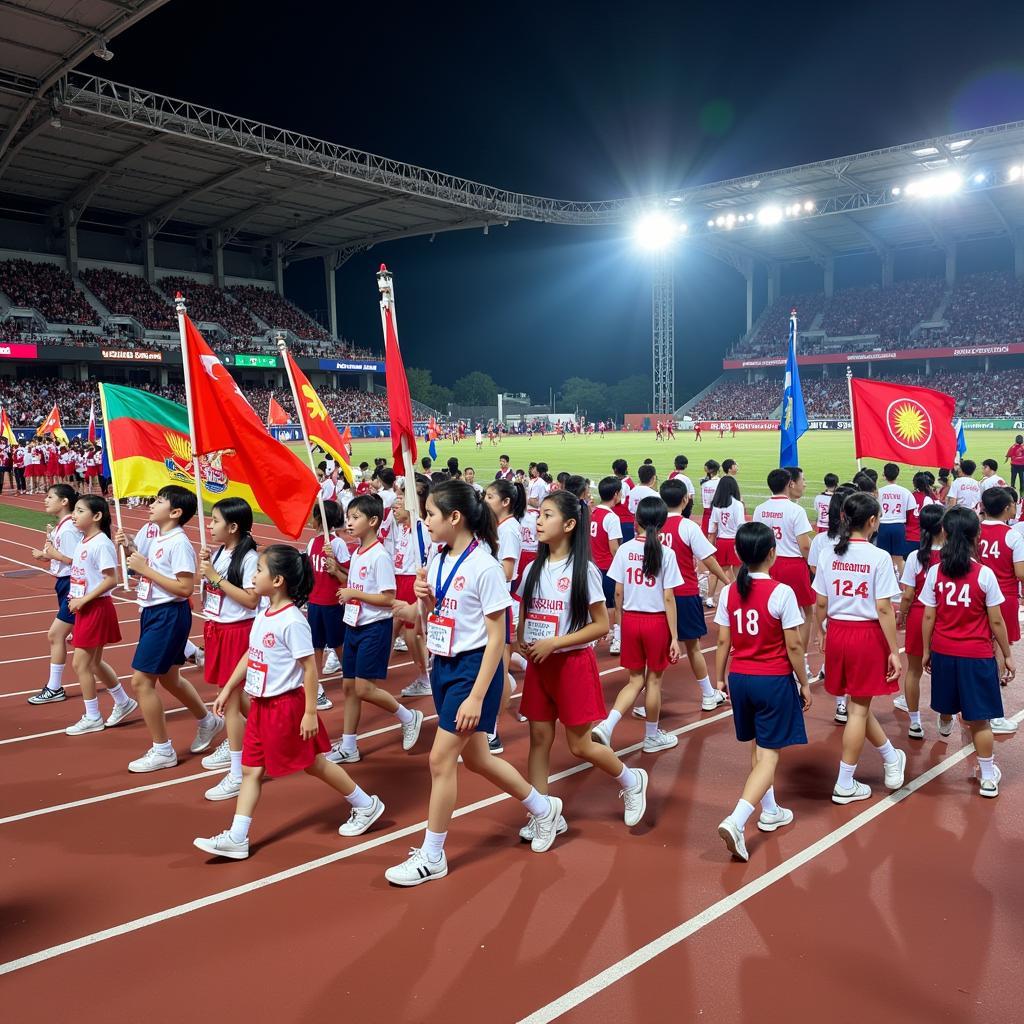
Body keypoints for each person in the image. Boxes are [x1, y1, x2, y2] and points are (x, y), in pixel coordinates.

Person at [385, 480, 564, 886]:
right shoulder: (437, 556)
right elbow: (436, 612)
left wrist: (479, 696)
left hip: (472, 670)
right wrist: (422, 598)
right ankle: (543, 809)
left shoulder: (485, 566)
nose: (425, 521)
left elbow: (497, 637)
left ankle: (432, 856)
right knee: (479, 759)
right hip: (444, 664)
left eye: (431, 514)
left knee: (440, 760)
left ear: (454, 517)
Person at [193, 545, 386, 860]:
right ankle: (237, 837)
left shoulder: (293, 621)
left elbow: (310, 668)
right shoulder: (264, 612)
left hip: (286, 707)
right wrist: (229, 687)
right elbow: (251, 654)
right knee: (251, 769)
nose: (253, 576)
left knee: (314, 764)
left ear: (278, 580)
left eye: (259, 570)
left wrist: (310, 712)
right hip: (260, 706)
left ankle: (366, 804)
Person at [517, 490, 649, 834]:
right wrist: (521, 635)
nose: (539, 520)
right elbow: (524, 611)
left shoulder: (583, 570)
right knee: (539, 739)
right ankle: (542, 813)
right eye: (539, 514)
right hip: (539, 664)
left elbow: (601, 624)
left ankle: (631, 780)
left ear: (570, 524)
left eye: (547, 515)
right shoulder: (533, 566)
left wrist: (556, 642)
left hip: (571, 664)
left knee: (579, 745)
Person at [714, 522, 810, 861]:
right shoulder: (782, 592)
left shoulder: (729, 591)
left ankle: (769, 809)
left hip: (740, 677)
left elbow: (723, 640)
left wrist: (719, 678)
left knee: (758, 746)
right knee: (770, 755)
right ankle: (738, 820)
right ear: (772, 553)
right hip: (772, 679)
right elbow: (794, 646)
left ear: (738, 554)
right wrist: (805, 682)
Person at [117, 485, 223, 773]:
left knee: (141, 682)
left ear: (175, 513)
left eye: (159, 501)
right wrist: (131, 548)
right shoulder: (159, 538)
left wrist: (144, 568)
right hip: (153, 611)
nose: (152, 504)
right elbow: (152, 568)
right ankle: (208, 720)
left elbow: (185, 587)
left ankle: (162, 750)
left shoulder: (179, 543)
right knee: (170, 679)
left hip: (168, 614)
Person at [812, 493, 906, 804]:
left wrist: (822, 632)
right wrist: (894, 649)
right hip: (865, 635)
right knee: (858, 710)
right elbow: (883, 609)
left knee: (856, 706)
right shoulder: (878, 557)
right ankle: (844, 782)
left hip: (838, 631)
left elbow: (821, 603)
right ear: (871, 521)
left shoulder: (828, 554)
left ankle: (892, 757)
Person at [921, 507, 1016, 797]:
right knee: (980, 720)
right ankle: (987, 777)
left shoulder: (936, 571)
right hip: (976, 656)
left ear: (945, 533)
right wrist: (1008, 654)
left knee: (949, 703)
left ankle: (947, 718)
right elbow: (996, 620)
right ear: (978, 534)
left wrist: (926, 650)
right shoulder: (984, 574)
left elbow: (928, 616)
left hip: (944, 651)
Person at [328, 493, 423, 763]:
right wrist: (340, 575)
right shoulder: (358, 551)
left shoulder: (379, 556)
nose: (349, 522)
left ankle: (408, 716)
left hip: (373, 627)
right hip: (354, 625)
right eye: (348, 517)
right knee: (348, 688)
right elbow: (357, 585)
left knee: (364, 688)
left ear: (372, 521)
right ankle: (349, 746)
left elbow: (387, 597)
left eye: (355, 518)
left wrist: (353, 595)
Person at [592, 497, 683, 752]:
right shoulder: (667, 553)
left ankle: (607, 726)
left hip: (631, 620)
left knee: (634, 681)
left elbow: (618, 593)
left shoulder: (624, 550)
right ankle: (652, 737)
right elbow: (668, 597)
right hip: (655, 623)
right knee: (653, 681)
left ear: (636, 521)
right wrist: (674, 636)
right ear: (662, 523)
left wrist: (620, 625)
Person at [196, 497, 261, 800]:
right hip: (218, 630)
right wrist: (207, 573)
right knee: (234, 699)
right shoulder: (223, 551)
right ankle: (262, 738)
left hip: (237, 632)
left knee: (230, 704)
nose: (210, 525)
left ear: (233, 527)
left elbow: (251, 600)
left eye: (215, 521)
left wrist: (215, 578)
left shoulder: (248, 558)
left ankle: (238, 772)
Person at [61, 495, 137, 734]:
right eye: (74, 510)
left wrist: (83, 599)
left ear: (96, 516)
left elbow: (111, 579)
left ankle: (93, 716)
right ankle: (123, 701)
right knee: (93, 662)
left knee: (80, 663)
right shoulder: (85, 541)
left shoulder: (101, 543)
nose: (74, 514)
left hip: (95, 606)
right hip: (84, 606)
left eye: (80, 511)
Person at [657, 478, 729, 711]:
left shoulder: (653, 526)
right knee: (693, 647)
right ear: (686, 499)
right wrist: (728, 581)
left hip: (657, 596)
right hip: (684, 594)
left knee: (658, 648)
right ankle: (708, 694)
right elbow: (708, 559)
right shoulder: (687, 527)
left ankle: (651, 698)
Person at [27, 484, 83, 705]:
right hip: (64, 584)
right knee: (84, 646)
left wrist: (53, 554)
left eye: (50, 497)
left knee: (56, 635)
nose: (45, 500)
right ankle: (190, 650)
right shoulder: (63, 526)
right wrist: (46, 555)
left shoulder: (69, 528)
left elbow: (75, 561)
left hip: (72, 585)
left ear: (64, 502)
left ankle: (54, 688)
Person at [483, 477, 528, 751]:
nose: (485, 501)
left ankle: (492, 732)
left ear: (505, 502)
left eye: (490, 497)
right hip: (493, 604)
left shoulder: (509, 529)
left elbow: (507, 572)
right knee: (493, 669)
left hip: (502, 606)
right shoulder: (498, 526)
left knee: (496, 672)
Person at [976, 487, 1024, 735]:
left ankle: (976, 705)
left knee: (983, 649)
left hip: (975, 596)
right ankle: (994, 714)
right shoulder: (1013, 536)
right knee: (998, 653)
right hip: (1003, 598)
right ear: (1007, 508)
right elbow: (1020, 573)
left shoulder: (974, 530)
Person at [895, 503, 944, 740]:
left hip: (918, 616)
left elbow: (907, 594)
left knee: (913, 671)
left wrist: (901, 615)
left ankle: (914, 722)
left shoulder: (916, 556)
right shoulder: (953, 555)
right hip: (945, 618)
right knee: (944, 671)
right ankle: (945, 715)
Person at [753, 468, 814, 657]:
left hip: (767, 564)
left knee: (771, 611)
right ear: (790, 484)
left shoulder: (760, 509)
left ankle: (773, 652)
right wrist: (814, 566)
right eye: (802, 479)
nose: (804, 483)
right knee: (805, 614)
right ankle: (799, 660)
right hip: (793, 566)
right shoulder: (796, 510)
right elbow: (804, 546)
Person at [386, 479, 434, 699]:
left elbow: (427, 559)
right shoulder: (404, 528)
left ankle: (426, 676)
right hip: (401, 580)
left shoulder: (421, 528)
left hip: (413, 581)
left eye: (402, 499)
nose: (396, 505)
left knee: (414, 634)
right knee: (400, 629)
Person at [303, 499, 351, 712]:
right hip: (315, 603)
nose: (311, 520)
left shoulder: (337, 543)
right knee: (315, 646)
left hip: (332, 603)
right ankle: (316, 687)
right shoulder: (312, 543)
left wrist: (336, 566)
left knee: (338, 644)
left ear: (320, 518)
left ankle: (351, 677)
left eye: (314, 516)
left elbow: (349, 573)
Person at [591, 476, 624, 655]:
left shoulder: (593, 512)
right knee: (616, 606)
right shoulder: (612, 518)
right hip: (607, 567)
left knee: (596, 604)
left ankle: (594, 637)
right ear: (616, 494)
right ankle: (616, 639)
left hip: (593, 566)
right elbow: (614, 548)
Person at [707, 475, 746, 583]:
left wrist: (710, 544)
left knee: (717, 571)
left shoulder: (717, 505)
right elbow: (740, 526)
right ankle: (739, 593)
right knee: (739, 570)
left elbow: (712, 528)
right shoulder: (738, 504)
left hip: (721, 541)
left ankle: (710, 598)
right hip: (734, 542)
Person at [876, 463, 913, 573]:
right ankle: (901, 585)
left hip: (883, 526)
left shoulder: (879, 492)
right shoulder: (905, 491)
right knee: (899, 559)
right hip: (899, 526)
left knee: (883, 558)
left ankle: (884, 583)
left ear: (884, 475)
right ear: (897, 475)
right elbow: (911, 510)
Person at [611, 459, 636, 542]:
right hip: (626, 519)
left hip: (622, 519)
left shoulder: (623, 484)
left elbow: (617, 501)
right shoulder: (628, 481)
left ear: (615, 470)